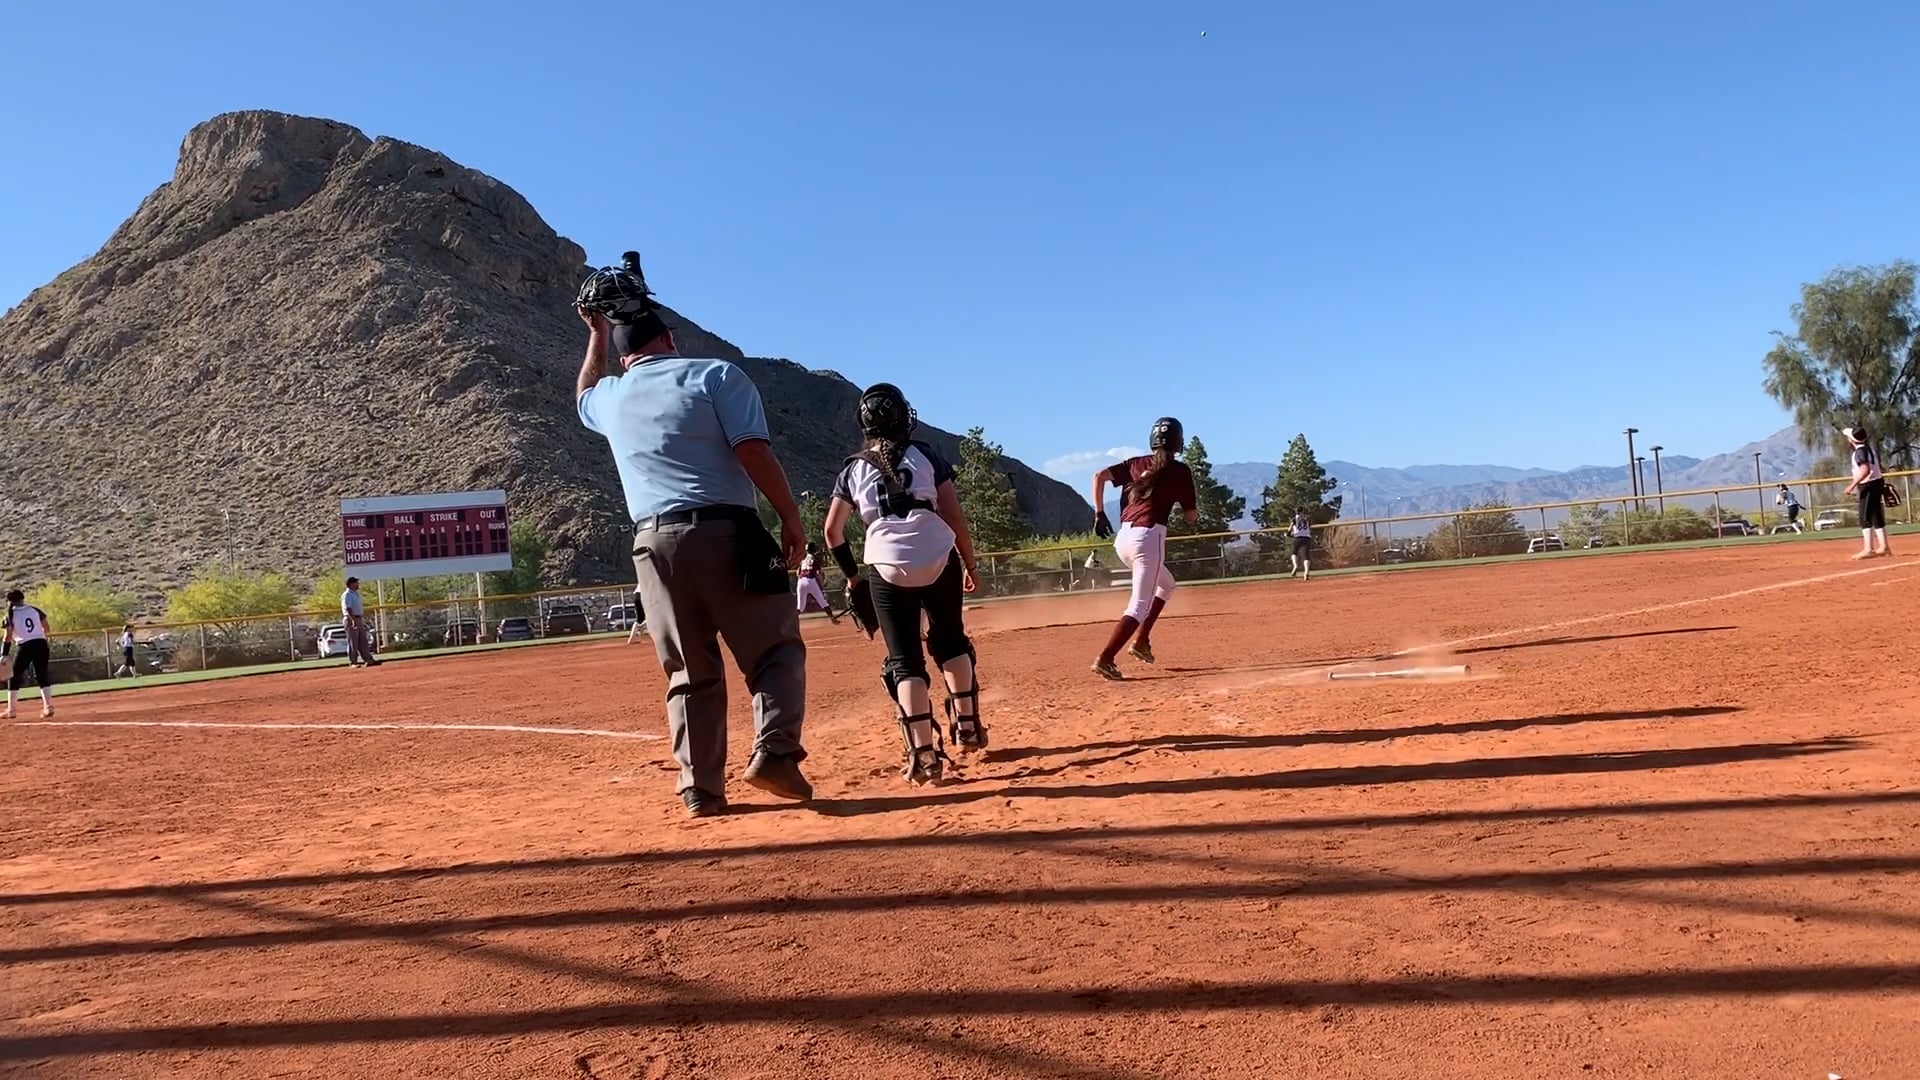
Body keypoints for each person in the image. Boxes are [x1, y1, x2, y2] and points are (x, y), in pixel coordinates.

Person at [576, 250, 812, 818]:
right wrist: (790, 517)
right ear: (669, 339)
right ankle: (776, 752)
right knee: (774, 649)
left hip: (653, 545)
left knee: (688, 670)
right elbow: (752, 452)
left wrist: (596, 334)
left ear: (624, 355)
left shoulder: (610, 397)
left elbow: (583, 391)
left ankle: (700, 788)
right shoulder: (716, 375)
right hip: (728, 532)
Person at [823, 383, 986, 785]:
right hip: (939, 554)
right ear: (902, 418)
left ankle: (924, 757)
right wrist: (969, 563)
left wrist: (853, 578)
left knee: (905, 661)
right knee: (952, 642)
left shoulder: (852, 469)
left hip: (887, 563)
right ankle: (968, 727)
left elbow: (831, 532)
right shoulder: (927, 455)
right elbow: (954, 517)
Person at [1089, 418, 1198, 679]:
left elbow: (1098, 476)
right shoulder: (1179, 470)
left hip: (1123, 539)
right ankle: (1106, 658)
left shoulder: (1135, 463)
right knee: (1138, 606)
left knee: (1167, 585)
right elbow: (1191, 516)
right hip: (1148, 537)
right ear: (1178, 442)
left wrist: (1099, 514)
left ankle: (1141, 641)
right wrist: (1189, 512)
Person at [1842, 425, 1894, 559]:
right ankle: (1884, 547)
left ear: (1852, 440)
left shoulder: (1859, 452)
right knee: (1876, 515)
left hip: (1868, 484)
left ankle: (1868, 549)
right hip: (1877, 482)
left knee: (1864, 517)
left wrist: (1852, 485)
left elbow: (1865, 469)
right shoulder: (1870, 449)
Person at [3, 589, 54, 719]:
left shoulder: (10, 615)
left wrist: (4, 653)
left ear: (9, 601)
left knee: (14, 676)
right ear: (22, 599)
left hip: (25, 646)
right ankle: (48, 707)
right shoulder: (34, 610)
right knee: (41, 674)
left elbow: (8, 636)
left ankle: (11, 710)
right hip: (41, 643)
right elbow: (46, 628)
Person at [795, 543, 839, 624]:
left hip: (801, 581)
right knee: (822, 602)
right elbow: (819, 572)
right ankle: (832, 618)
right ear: (814, 550)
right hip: (811, 581)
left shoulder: (803, 560)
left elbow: (797, 572)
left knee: (800, 607)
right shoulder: (815, 559)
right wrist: (821, 584)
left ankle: (790, 621)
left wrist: (802, 578)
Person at [340, 577, 380, 667]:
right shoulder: (347, 595)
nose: (358, 584)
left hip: (358, 618)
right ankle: (353, 662)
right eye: (356, 582)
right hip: (351, 619)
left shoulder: (355, 594)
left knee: (363, 641)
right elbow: (348, 608)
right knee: (353, 642)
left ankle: (368, 660)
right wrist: (353, 620)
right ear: (351, 584)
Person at [1288, 508, 1314, 579]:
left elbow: (1289, 529)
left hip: (1297, 538)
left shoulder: (1294, 519)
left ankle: (1295, 566)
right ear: (1302, 512)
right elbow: (1309, 528)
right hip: (1306, 538)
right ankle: (1306, 572)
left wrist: (1288, 534)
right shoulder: (1307, 519)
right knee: (1306, 556)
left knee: (1294, 553)